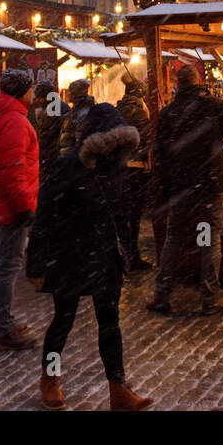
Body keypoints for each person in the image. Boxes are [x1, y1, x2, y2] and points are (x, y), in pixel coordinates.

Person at [26, 103, 152, 411]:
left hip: (104, 253)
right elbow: (45, 214)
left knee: (110, 322)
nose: (117, 152)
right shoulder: (67, 165)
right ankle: (50, 378)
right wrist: (37, 262)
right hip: (68, 253)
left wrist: (124, 253)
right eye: (112, 144)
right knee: (63, 320)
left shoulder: (117, 167)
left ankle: (118, 387)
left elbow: (121, 212)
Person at [147, 66, 223, 316]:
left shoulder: (169, 112)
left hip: (180, 185)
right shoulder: (214, 106)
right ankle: (209, 298)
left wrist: (164, 184)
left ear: (178, 84)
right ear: (198, 81)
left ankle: (162, 295)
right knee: (210, 240)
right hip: (210, 183)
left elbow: (159, 151)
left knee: (174, 238)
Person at [0, 69, 39, 350]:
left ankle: (0, 322)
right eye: (30, 87)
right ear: (23, 91)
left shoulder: (2, 118)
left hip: (2, 203)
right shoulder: (15, 121)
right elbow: (13, 168)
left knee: (2, 264)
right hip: (11, 205)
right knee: (9, 265)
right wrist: (24, 206)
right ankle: (2, 327)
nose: (34, 91)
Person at [116, 73, 154, 270]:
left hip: (119, 169)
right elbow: (146, 141)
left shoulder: (118, 109)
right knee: (134, 215)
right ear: (141, 95)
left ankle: (125, 254)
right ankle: (132, 256)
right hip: (135, 169)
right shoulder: (139, 112)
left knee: (123, 214)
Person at [31, 79, 69, 174]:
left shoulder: (55, 108)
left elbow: (49, 134)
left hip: (55, 156)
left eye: (39, 97)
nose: (37, 101)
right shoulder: (55, 106)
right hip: (57, 155)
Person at [58, 79, 95, 155]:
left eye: (70, 92)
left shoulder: (83, 113)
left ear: (75, 94)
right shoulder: (74, 111)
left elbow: (80, 139)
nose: (68, 95)